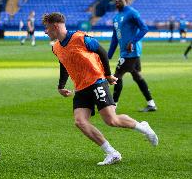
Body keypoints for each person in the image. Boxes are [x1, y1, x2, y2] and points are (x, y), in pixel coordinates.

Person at [42, 12, 158, 166]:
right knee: (80, 121)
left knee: (111, 120)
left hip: (96, 81)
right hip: (81, 87)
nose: (45, 31)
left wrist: (108, 75)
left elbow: (101, 51)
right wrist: (61, 85)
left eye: (47, 28)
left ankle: (143, 127)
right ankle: (112, 153)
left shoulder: (80, 38)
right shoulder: (56, 47)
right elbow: (64, 64)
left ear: (55, 26)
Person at [108, 0, 157, 112]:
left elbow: (144, 28)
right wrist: (108, 55)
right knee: (137, 76)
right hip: (125, 52)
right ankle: (151, 104)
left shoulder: (132, 13)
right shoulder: (115, 18)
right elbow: (115, 38)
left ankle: (113, 106)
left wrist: (132, 42)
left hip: (131, 52)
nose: (117, 0)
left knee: (116, 77)